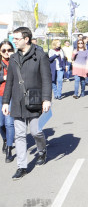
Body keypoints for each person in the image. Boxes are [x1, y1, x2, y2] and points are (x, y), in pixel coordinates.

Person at [1, 27, 52, 180]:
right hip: (17, 101)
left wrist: (46, 99)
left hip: (35, 100)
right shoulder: (14, 58)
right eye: (13, 38)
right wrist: (5, 102)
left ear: (26, 39)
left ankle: (42, 151)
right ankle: (21, 166)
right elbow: (9, 81)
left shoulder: (40, 55)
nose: (14, 41)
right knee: (20, 135)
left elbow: (46, 79)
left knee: (35, 132)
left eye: (16, 39)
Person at [0, 40, 15, 163]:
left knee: (9, 123)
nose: (6, 52)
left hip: (11, 96)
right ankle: (5, 139)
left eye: (9, 50)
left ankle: (9, 149)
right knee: (1, 124)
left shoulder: (16, 61)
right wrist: (3, 78)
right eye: (4, 50)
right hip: (0, 95)